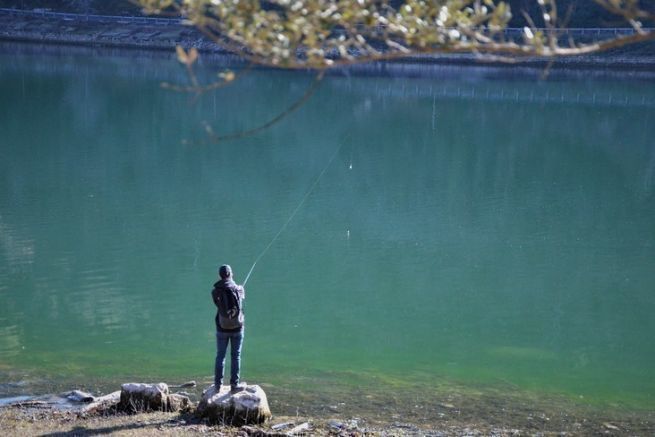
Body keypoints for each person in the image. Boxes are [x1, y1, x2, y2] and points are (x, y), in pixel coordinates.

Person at [211, 264, 246, 392]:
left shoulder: (215, 291)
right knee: (236, 356)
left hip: (222, 328)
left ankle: (217, 386)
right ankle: (234, 385)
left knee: (220, 356)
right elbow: (240, 304)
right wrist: (240, 290)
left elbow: (217, 305)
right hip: (237, 327)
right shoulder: (239, 289)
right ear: (231, 274)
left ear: (219, 276)